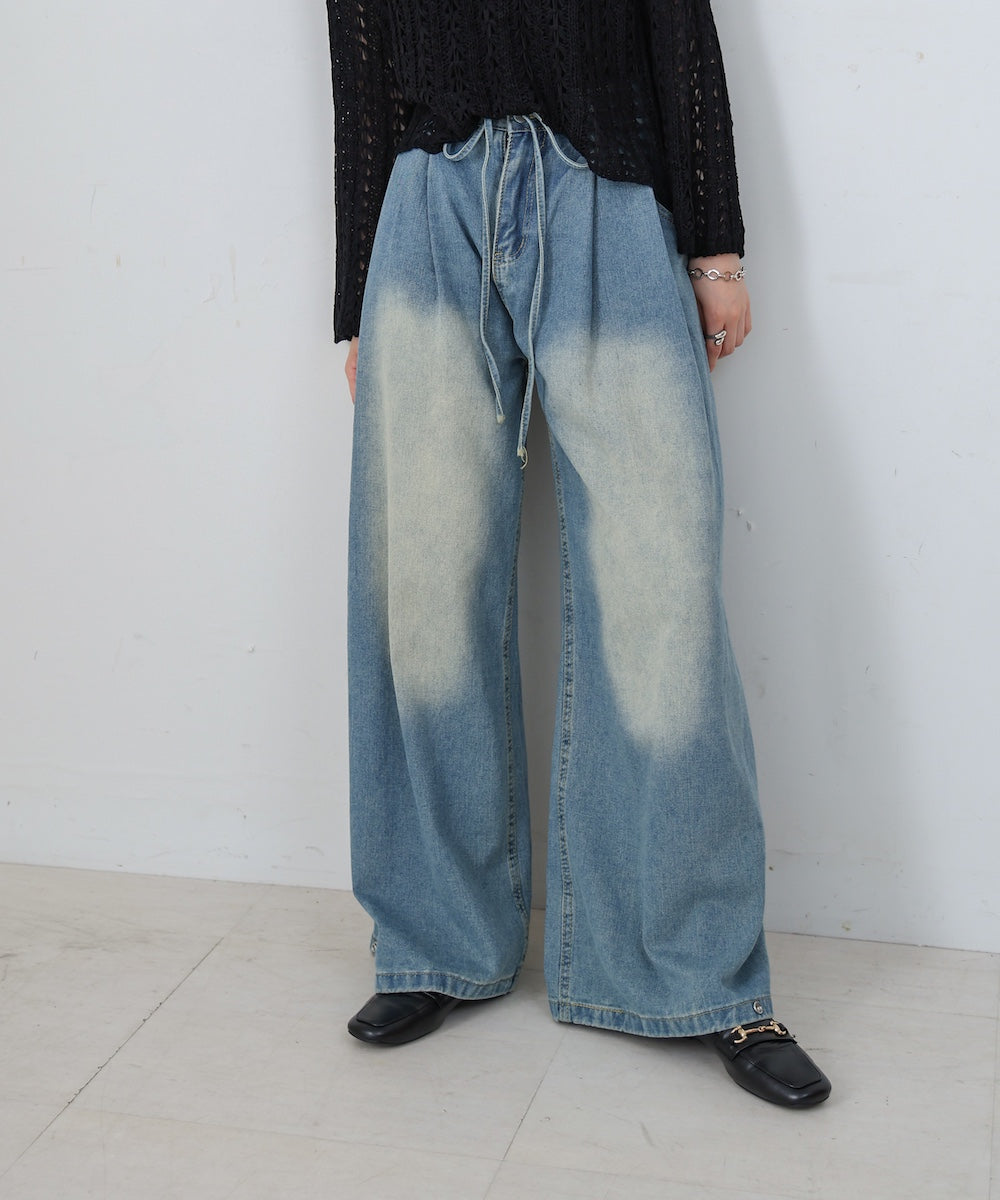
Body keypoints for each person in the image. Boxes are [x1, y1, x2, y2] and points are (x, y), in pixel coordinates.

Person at [326, 0, 831, 1109]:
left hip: (607, 193)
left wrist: (715, 246)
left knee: (663, 591)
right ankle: (433, 944)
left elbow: (679, 35)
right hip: (428, 207)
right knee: (422, 588)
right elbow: (359, 80)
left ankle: (696, 975)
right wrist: (356, 299)